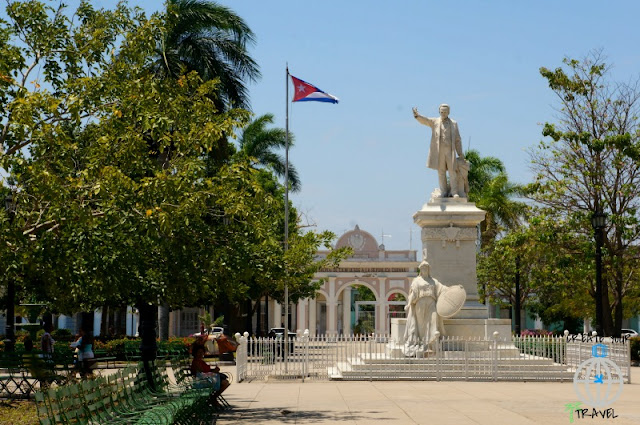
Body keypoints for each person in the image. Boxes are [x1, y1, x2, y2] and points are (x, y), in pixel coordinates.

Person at [413, 104, 465, 198]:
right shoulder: (435, 122)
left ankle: (454, 192)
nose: (443, 113)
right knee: (441, 172)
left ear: (448, 112)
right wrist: (417, 116)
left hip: (450, 150)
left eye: (445, 112)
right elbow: (426, 120)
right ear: (439, 112)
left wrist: (460, 153)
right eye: (441, 112)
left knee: (452, 171)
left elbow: (457, 139)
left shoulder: (454, 123)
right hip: (439, 151)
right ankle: (444, 191)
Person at [403, 261, 446, 356]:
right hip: (420, 303)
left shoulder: (434, 281)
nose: (424, 269)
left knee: (433, 321)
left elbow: (442, 289)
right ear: (420, 270)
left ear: (428, 269)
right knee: (421, 325)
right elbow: (413, 294)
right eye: (422, 268)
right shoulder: (417, 281)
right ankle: (423, 343)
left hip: (432, 303)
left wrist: (452, 290)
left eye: (426, 268)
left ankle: (432, 343)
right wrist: (409, 304)